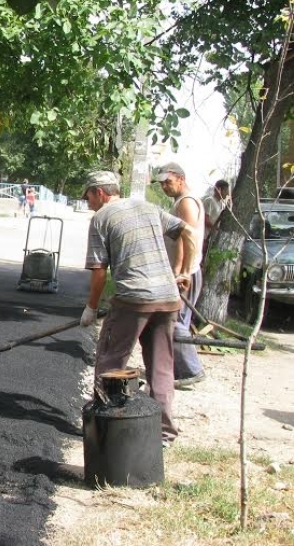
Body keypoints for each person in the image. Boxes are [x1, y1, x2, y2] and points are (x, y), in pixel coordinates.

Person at [79, 170, 197, 446]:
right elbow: (188, 232)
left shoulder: (101, 218)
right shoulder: (148, 207)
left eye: (88, 196)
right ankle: (164, 434)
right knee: (161, 367)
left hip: (134, 298)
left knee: (110, 360)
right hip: (168, 298)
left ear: (100, 192)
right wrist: (186, 272)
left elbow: (98, 272)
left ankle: (104, 427)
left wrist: (91, 308)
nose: (87, 203)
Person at [154, 162, 206, 388]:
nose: (165, 186)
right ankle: (180, 369)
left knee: (175, 321)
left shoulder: (186, 202)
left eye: (169, 182)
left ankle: (191, 371)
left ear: (181, 180)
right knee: (176, 320)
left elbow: (187, 237)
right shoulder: (180, 201)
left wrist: (180, 271)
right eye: (162, 183)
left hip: (186, 272)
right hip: (183, 270)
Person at [202, 179, 231, 255]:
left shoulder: (222, 204)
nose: (227, 194)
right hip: (205, 237)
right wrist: (215, 228)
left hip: (214, 238)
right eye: (225, 191)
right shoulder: (210, 201)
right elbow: (205, 219)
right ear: (219, 189)